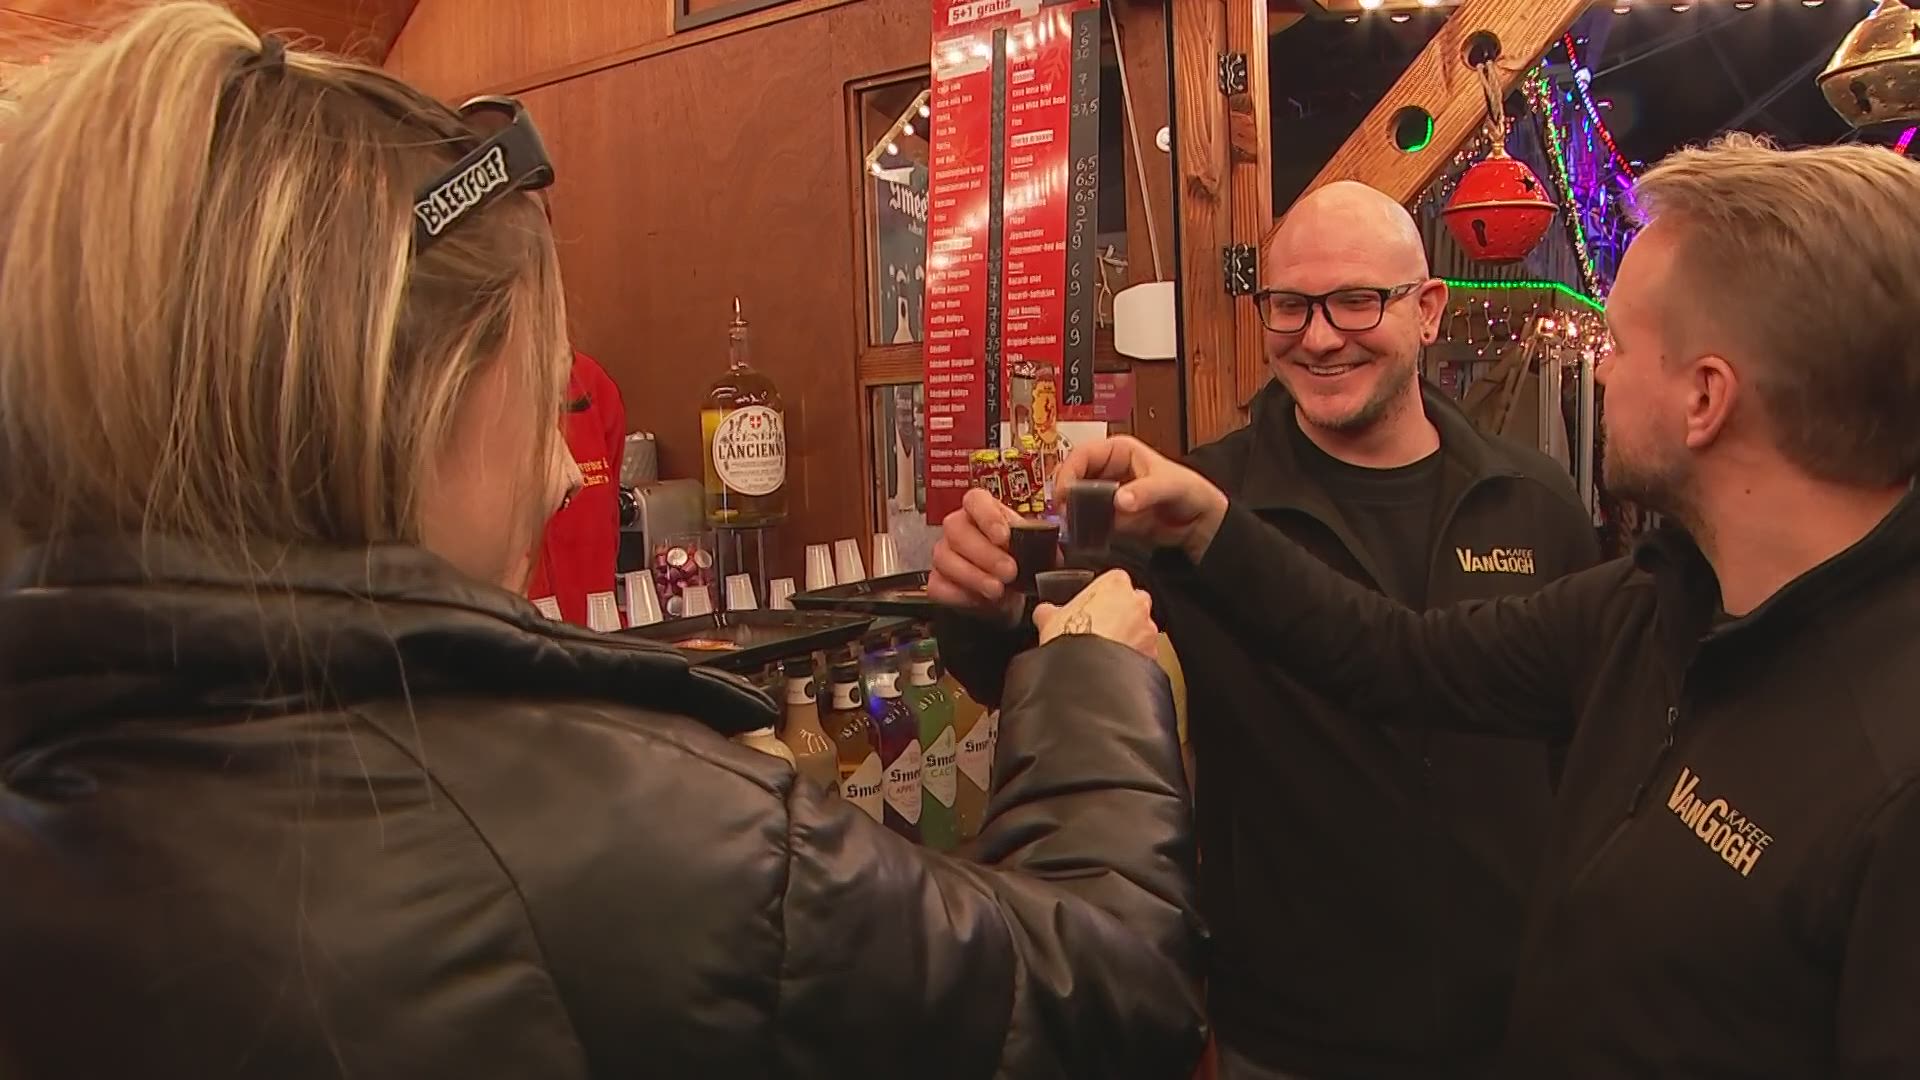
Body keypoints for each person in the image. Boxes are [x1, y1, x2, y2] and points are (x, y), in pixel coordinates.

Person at [0, 7, 1206, 1078]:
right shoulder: (644, 830)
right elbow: (1102, 993)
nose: (561, 468)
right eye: (544, 387)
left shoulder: (60, 801)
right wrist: (1088, 680)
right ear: (427, 391)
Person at [1048, 134, 1920, 1075]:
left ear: (1706, 398)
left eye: (1622, 346)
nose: (1598, 370)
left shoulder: (1891, 764)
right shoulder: (1645, 607)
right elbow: (1395, 655)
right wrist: (1209, 525)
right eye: (1291, 305)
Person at [931, 181, 1597, 1078]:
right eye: (1290, 304)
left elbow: (1587, 757)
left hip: (1518, 1031)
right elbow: (1058, 659)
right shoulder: (1193, 501)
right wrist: (983, 606)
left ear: (1429, 309)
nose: (1318, 337)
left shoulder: (1532, 500)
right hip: (1288, 1038)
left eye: (1356, 300)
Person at [525, 350, 626, 625]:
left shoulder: (592, 383)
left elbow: (608, 524)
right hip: (503, 638)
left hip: (590, 636)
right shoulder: (464, 390)